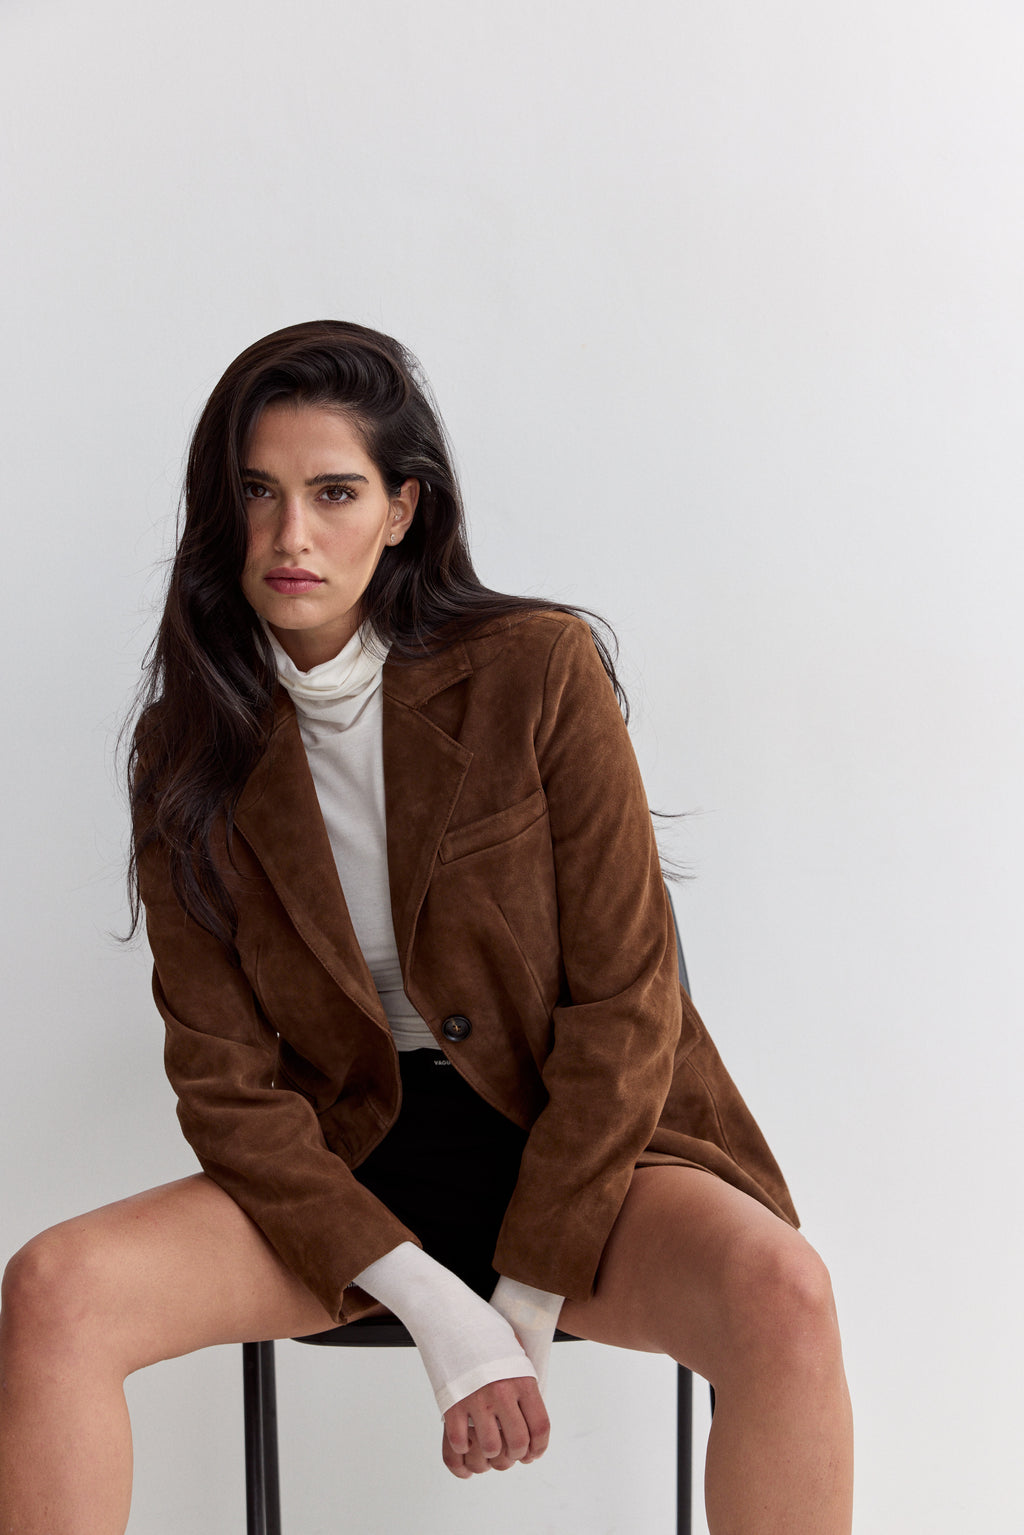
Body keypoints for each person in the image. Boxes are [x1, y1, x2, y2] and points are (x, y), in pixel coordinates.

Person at [0, 321, 853, 1532]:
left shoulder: (536, 669)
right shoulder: (186, 746)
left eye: (333, 492)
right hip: (343, 1167)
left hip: (576, 1151)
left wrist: (527, 1292)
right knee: (55, 1288)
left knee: (784, 1291)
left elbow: (628, 1003)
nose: (290, 536)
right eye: (258, 492)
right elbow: (224, 1083)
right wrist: (438, 1306)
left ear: (402, 508)